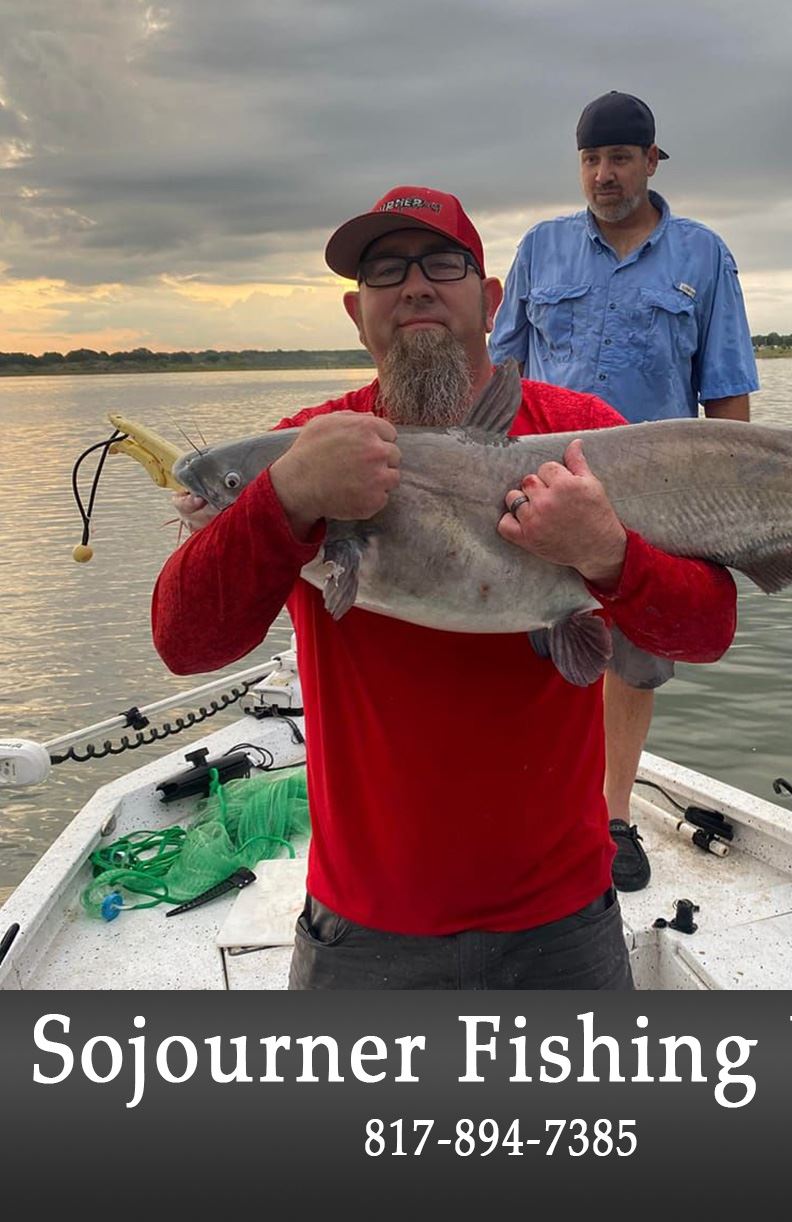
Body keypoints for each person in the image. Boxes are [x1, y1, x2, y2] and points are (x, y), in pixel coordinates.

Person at [153, 185, 737, 990]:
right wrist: (284, 498)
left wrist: (607, 554)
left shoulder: (584, 436)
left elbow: (704, 631)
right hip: (364, 928)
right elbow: (187, 644)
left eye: (443, 264)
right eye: (387, 270)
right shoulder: (302, 453)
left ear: (491, 300)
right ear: (356, 314)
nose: (416, 285)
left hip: (563, 919)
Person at [489, 91, 758, 893]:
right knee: (530, 648)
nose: (604, 175)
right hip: (536, 485)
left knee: (635, 663)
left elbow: (728, 393)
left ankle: (613, 818)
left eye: (619, 158)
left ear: (651, 160)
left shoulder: (703, 256)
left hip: (660, 500)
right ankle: (530, 810)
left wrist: (731, 508)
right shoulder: (540, 248)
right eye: (591, 160)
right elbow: (499, 371)